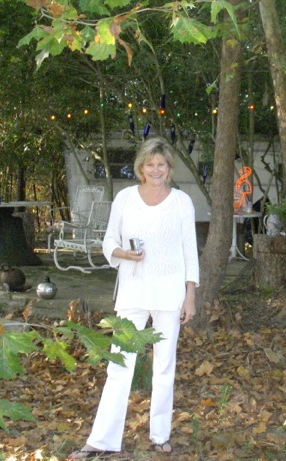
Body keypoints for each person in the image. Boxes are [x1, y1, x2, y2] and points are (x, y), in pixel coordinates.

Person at [68, 138, 199, 459]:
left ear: (169, 169)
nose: (156, 170)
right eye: (150, 164)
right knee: (119, 365)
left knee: (164, 366)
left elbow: (190, 251)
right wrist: (122, 253)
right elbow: (109, 238)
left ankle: (160, 435)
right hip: (132, 290)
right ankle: (101, 440)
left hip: (170, 295)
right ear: (141, 168)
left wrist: (190, 295)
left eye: (162, 165)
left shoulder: (182, 202)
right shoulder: (125, 198)